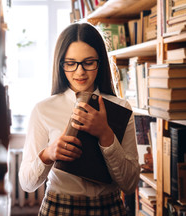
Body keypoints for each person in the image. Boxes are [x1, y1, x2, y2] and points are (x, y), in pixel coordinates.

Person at [18, 23, 140, 216]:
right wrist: (49, 154)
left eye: (88, 62)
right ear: (60, 64)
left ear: (100, 62)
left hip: (109, 208)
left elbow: (130, 184)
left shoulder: (121, 108)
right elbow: (27, 183)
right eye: (70, 63)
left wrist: (105, 134)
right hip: (59, 207)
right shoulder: (43, 110)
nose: (80, 72)